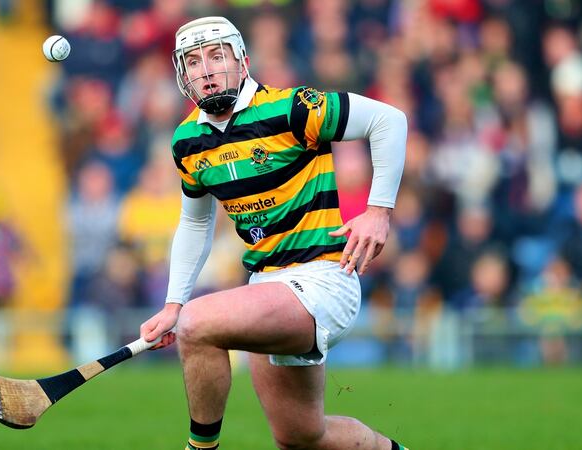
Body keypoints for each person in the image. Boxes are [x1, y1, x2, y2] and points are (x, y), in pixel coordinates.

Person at [139, 17, 409, 450]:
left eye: (216, 56)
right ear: (182, 74)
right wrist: (173, 303)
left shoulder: (293, 108)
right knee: (301, 436)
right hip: (266, 285)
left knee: (198, 324)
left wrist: (378, 211)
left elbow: (389, 120)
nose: (205, 70)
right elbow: (195, 222)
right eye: (193, 62)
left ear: (242, 61)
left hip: (323, 279)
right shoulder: (187, 141)